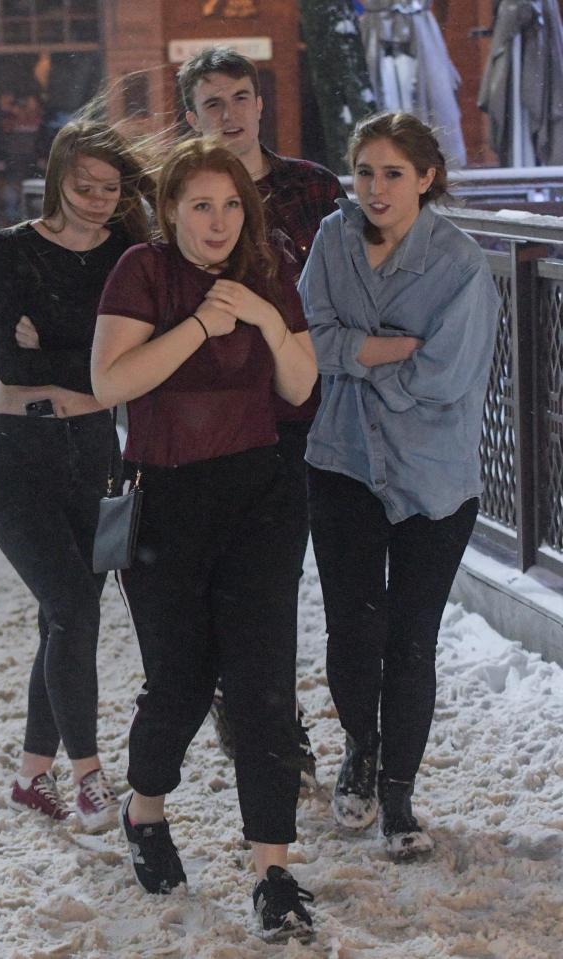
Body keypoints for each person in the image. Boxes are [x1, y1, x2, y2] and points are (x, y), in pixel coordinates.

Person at [91, 139, 318, 940]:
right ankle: (144, 806)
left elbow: (299, 383)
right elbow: (109, 384)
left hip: (259, 496)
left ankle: (274, 871)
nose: (218, 221)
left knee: (262, 687)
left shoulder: (269, 268)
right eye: (200, 206)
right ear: (171, 211)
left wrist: (257, 311)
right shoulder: (142, 272)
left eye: (230, 205)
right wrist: (197, 324)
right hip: (165, 500)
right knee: (181, 682)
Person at [298, 111, 500, 860]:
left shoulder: (462, 264)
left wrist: (355, 360)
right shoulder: (331, 239)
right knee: (352, 626)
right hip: (343, 457)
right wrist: (381, 350)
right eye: (365, 172)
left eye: (392, 173)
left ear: (425, 178)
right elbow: (308, 338)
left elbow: (446, 375)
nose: (376, 189)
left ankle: (400, 797)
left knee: (411, 642)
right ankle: (361, 744)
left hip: (433, 478)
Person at [177, 46, 347, 782]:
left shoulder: (312, 188)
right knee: (218, 579)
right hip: (208, 413)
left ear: (260, 103)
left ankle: (277, 727)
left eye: (240, 97)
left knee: (280, 578)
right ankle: (248, 708)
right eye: (211, 102)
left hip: (299, 403)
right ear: (190, 116)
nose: (229, 114)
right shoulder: (172, 191)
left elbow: (347, 279)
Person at [0, 119, 151, 831]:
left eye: (110, 188)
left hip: (95, 454)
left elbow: (134, 361)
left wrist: (56, 345)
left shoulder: (129, 253)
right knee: (71, 608)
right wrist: (92, 362)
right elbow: (10, 364)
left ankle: (30, 775)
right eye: (83, 186)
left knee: (68, 617)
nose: (98, 199)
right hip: (18, 456)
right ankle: (88, 775)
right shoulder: (11, 249)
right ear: (56, 177)